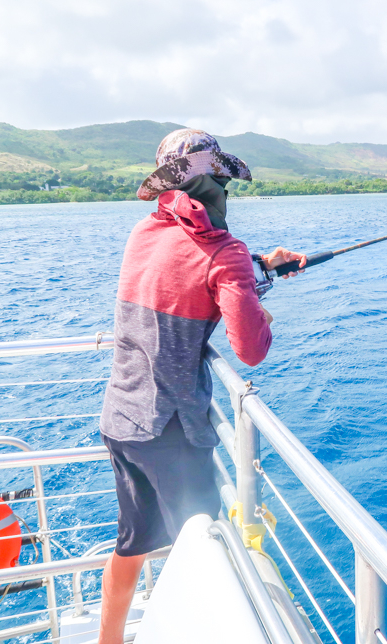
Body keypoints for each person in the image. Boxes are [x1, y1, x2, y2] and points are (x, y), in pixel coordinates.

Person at [96, 129, 306, 644]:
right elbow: (251, 347)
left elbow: (186, 273)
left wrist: (261, 268)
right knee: (206, 551)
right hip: (172, 431)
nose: (228, 192)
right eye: (223, 181)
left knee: (132, 544)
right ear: (213, 185)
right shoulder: (224, 251)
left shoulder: (145, 232)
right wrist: (259, 302)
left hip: (122, 417)